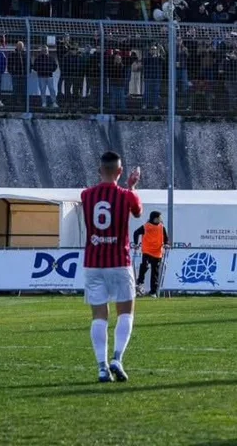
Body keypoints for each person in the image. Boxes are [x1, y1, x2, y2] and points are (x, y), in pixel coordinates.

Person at [81, 151, 143, 383]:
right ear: (120, 171)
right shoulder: (126, 195)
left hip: (93, 262)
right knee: (125, 312)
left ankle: (101, 367)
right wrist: (132, 187)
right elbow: (138, 211)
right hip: (119, 261)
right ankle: (117, 358)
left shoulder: (86, 195)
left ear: (100, 170)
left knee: (99, 316)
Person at [132, 211, 169, 297]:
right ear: (154, 218)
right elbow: (136, 233)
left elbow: (166, 238)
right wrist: (136, 243)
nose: (160, 219)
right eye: (159, 217)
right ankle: (140, 281)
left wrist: (166, 244)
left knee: (155, 272)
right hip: (147, 250)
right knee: (145, 265)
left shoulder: (162, 227)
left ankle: (153, 292)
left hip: (157, 252)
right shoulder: (146, 226)